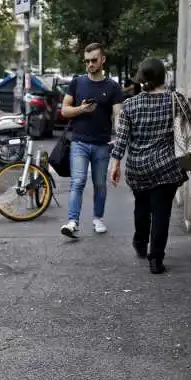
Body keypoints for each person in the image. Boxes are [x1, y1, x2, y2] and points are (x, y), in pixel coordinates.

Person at [109, 58, 189, 274]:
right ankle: (156, 259)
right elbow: (184, 133)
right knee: (162, 212)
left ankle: (140, 241)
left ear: (142, 77)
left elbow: (122, 138)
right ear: (163, 76)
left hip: (138, 167)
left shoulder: (130, 105)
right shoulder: (176, 100)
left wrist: (115, 164)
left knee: (141, 207)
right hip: (166, 166)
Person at [59, 43, 125, 238]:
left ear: (103, 59)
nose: (90, 64)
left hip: (102, 144)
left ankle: (98, 218)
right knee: (77, 182)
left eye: (94, 60)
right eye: (87, 61)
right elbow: (64, 110)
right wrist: (81, 109)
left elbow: (118, 118)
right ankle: (72, 222)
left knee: (100, 184)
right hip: (79, 142)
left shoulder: (113, 87)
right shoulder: (77, 83)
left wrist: (119, 142)